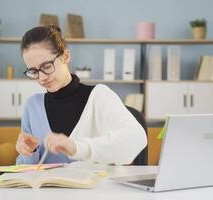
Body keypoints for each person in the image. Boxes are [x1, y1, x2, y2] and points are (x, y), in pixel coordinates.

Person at [15, 25, 147, 165]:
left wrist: (78, 148)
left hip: (96, 186)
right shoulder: (33, 106)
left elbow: (136, 137)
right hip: (46, 187)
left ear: (66, 56)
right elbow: (26, 173)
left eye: (47, 66)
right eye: (33, 71)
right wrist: (29, 152)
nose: (41, 77)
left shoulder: (99, 96)